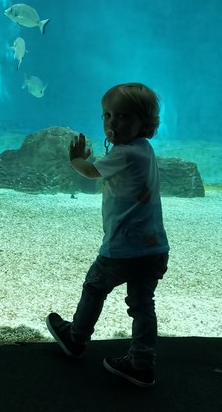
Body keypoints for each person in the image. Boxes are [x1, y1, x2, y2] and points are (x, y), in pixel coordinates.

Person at [47, 82, 169, 387]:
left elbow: (90, 172)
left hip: (123, 248)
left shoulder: (126, 153)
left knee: (94, 288)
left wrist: (76, 160)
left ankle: (75, 338)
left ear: (145, 122)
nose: (112, 122)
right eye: (107, 115)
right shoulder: (145, 149)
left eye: (123, 116)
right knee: (142, 306)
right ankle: (141, 363)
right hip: (154, 248)